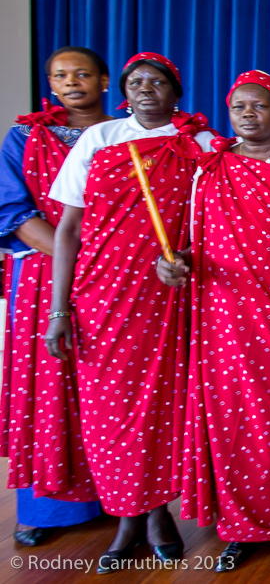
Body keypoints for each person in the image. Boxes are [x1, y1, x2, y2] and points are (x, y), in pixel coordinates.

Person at [44, 52, 215, 573]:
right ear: (124, 90)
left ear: (175, 90)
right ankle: (126, 518)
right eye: (136, 82)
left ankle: (160, 513)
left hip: (171, 295)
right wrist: (58, 309)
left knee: (164, 404)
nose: (146, 89)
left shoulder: (202, 145)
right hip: (103, 294)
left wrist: (185, 258)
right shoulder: (100, 139)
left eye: (157, 81)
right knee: (110, 409)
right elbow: (68, 229)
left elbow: (212, 224)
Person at [157, 71, 270, 571]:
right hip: (222, 314)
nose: (248, 114)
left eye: (259, 106)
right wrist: (176, 263)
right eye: (238, 107)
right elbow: (192, 239)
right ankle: (238, 528)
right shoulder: (209, 168)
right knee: (231, 417)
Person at [0, 47, 112, 546]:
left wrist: (105, 267)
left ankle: (117, 495)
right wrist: (78, 262)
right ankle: (45, 509)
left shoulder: (125, 136)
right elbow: (13, 210)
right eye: (60, 75)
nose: (71, 82)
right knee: (47, 386)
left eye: (82, 73)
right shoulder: (23, 138)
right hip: (46, 274)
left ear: (105, 81)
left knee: (107, 386)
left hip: (116, 280)